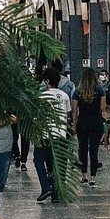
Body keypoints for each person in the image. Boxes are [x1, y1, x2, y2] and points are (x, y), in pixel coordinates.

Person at [35, 67, 72, 203]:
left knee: (38, 160)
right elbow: (68, 116)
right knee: (57, 164)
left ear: (48, 81)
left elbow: (38, 116)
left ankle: (45, 187)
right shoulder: (64, 96)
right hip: (61, 135)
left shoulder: (42, 96)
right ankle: (57, 192)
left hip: (45, 135)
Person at [73, 68, 106, 187]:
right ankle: (93, 178)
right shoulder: (100, 90)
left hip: (82, 122)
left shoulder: (77, 91)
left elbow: (75, 111)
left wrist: (73, 124)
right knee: (94, 150)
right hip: (96, 122)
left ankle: (84, 176)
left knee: (82, 149)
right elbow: (103, 107)